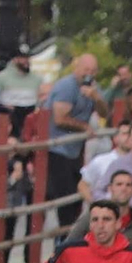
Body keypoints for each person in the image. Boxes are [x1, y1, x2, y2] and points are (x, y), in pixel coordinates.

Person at [42, 51, 100, 230]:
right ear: (77, 68)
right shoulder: (66, 86)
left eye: (93, 70)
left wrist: (96, 98)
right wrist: (84, 127)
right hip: (57, 149)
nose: (89, 73)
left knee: (75, 201)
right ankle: (64, 241)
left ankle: (67, 239)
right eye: (86, 69)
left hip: (74, 151)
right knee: (64, 201)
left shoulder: (92, 87)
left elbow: (106, 112)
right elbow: (59, 119)